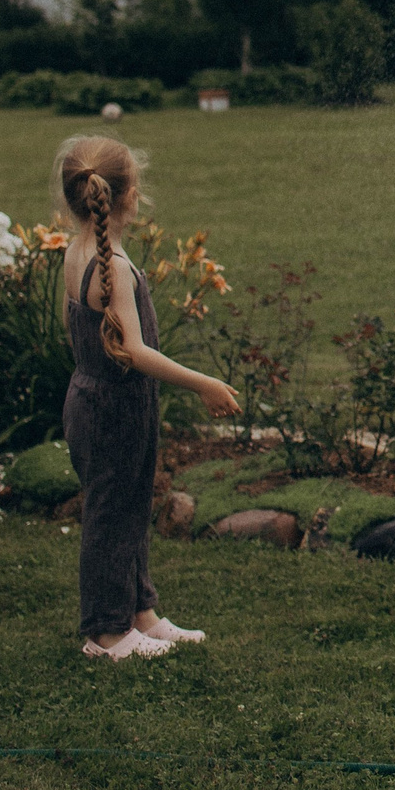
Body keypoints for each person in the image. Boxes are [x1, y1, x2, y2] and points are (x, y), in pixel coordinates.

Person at [53, 134, 241, 660]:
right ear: (128, 194)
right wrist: (203, 382)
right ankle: (106, 632)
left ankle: (141, 614)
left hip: (99, 400)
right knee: (110, 517)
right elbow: (133, 351)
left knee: (131, 509)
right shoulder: (111, 272)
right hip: (111, 407)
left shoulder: (81, 251)